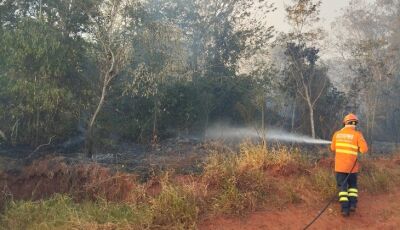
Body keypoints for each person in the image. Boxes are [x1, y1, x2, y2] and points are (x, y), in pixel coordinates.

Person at [330, 113, 368, 217]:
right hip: (352, 169)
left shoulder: (337, 134)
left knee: (342, 188)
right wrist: (358, 148)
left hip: (340, 168)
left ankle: (344, 209)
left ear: (344, 123)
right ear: (355, 123)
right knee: (352, 187)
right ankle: (353, 205)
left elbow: (332, 148)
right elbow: (364, 150)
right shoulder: (357, 135)